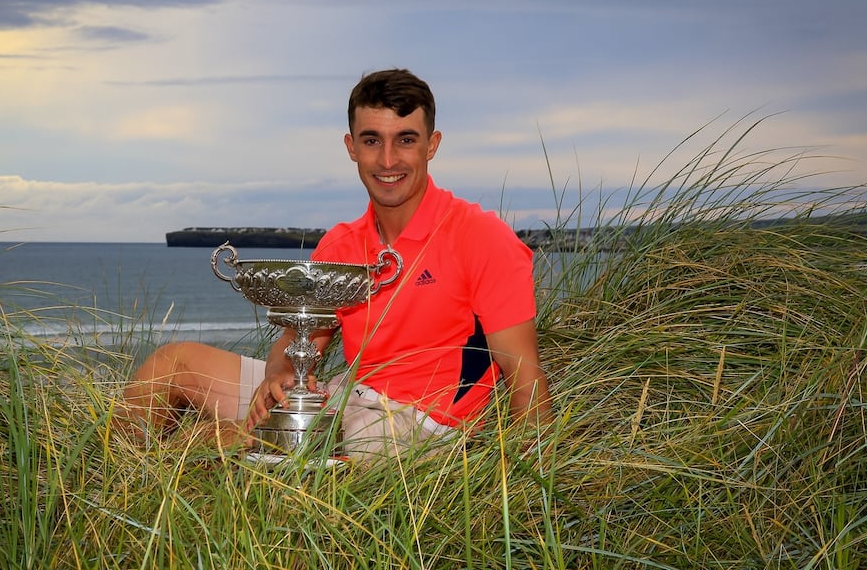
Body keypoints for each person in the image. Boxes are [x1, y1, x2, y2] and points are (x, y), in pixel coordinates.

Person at [121, 68, 551, 458]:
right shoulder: (341, 244)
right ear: (351, 147)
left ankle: (236, 444)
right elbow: (298, 338)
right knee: (173, 364)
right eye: (371, 141)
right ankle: (105, 486)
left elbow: (524, 376)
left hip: (420, 426)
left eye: (405, 139)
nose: (387, 160)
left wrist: (531, 499)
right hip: (346, 395)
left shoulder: (481, 236)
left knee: (308, 444)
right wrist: (279, 378)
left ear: (431, 145)